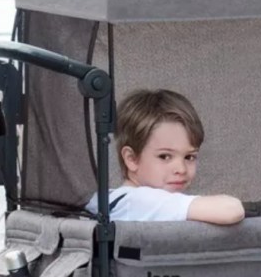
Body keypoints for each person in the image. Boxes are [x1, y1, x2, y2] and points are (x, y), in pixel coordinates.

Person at [85, 88, 244, 224]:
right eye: (165, 156)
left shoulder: (108, 200)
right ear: (131, 159)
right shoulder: (137, 201)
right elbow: (232, 209)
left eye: (189, 157)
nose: (181, 169)